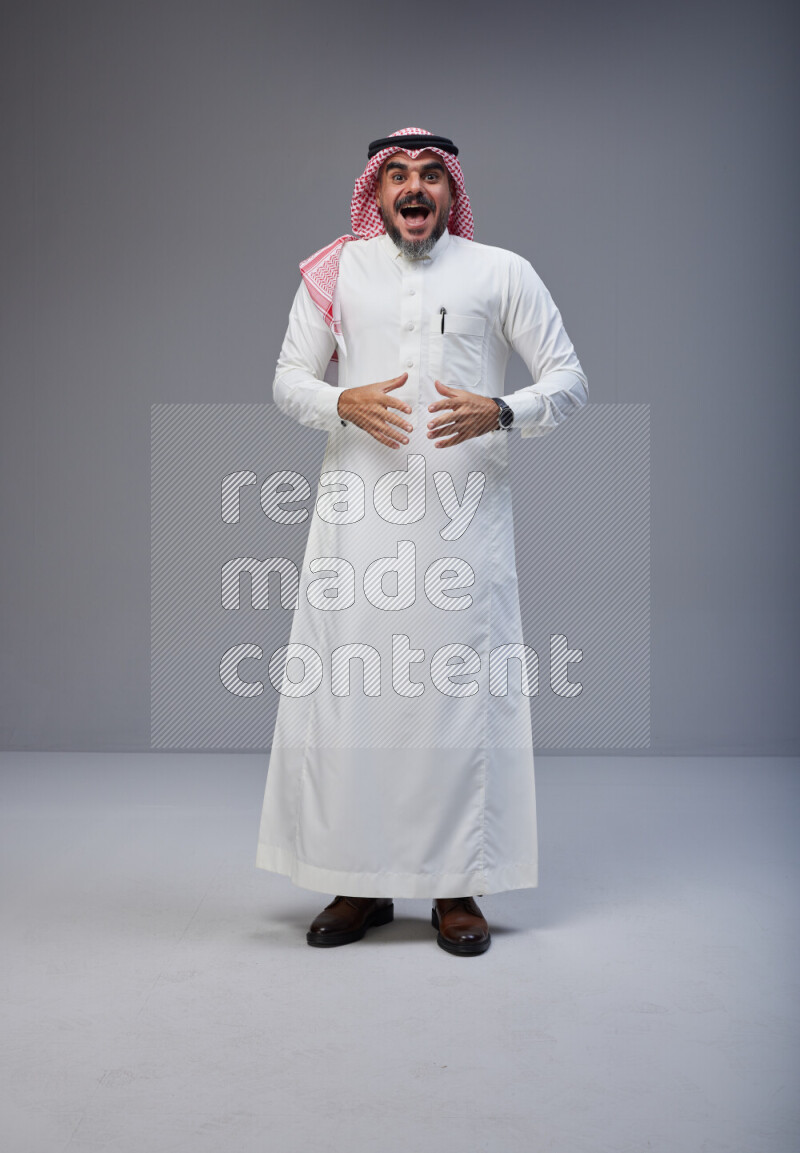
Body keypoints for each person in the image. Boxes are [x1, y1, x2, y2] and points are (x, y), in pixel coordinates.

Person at [255, 128, 588, 956]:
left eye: (430, 175)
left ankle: (457, 886)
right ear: (377, 190)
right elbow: (288, 376)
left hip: (462, 526)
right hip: (357, 521)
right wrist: (341, 402)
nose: (414, 188)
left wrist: (503, 409)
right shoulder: (338, 269)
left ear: (451, 190)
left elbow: (569, 379)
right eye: (397, 175)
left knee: (455, 699)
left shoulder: (500, 271)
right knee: (353, 698)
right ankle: (356, 882)